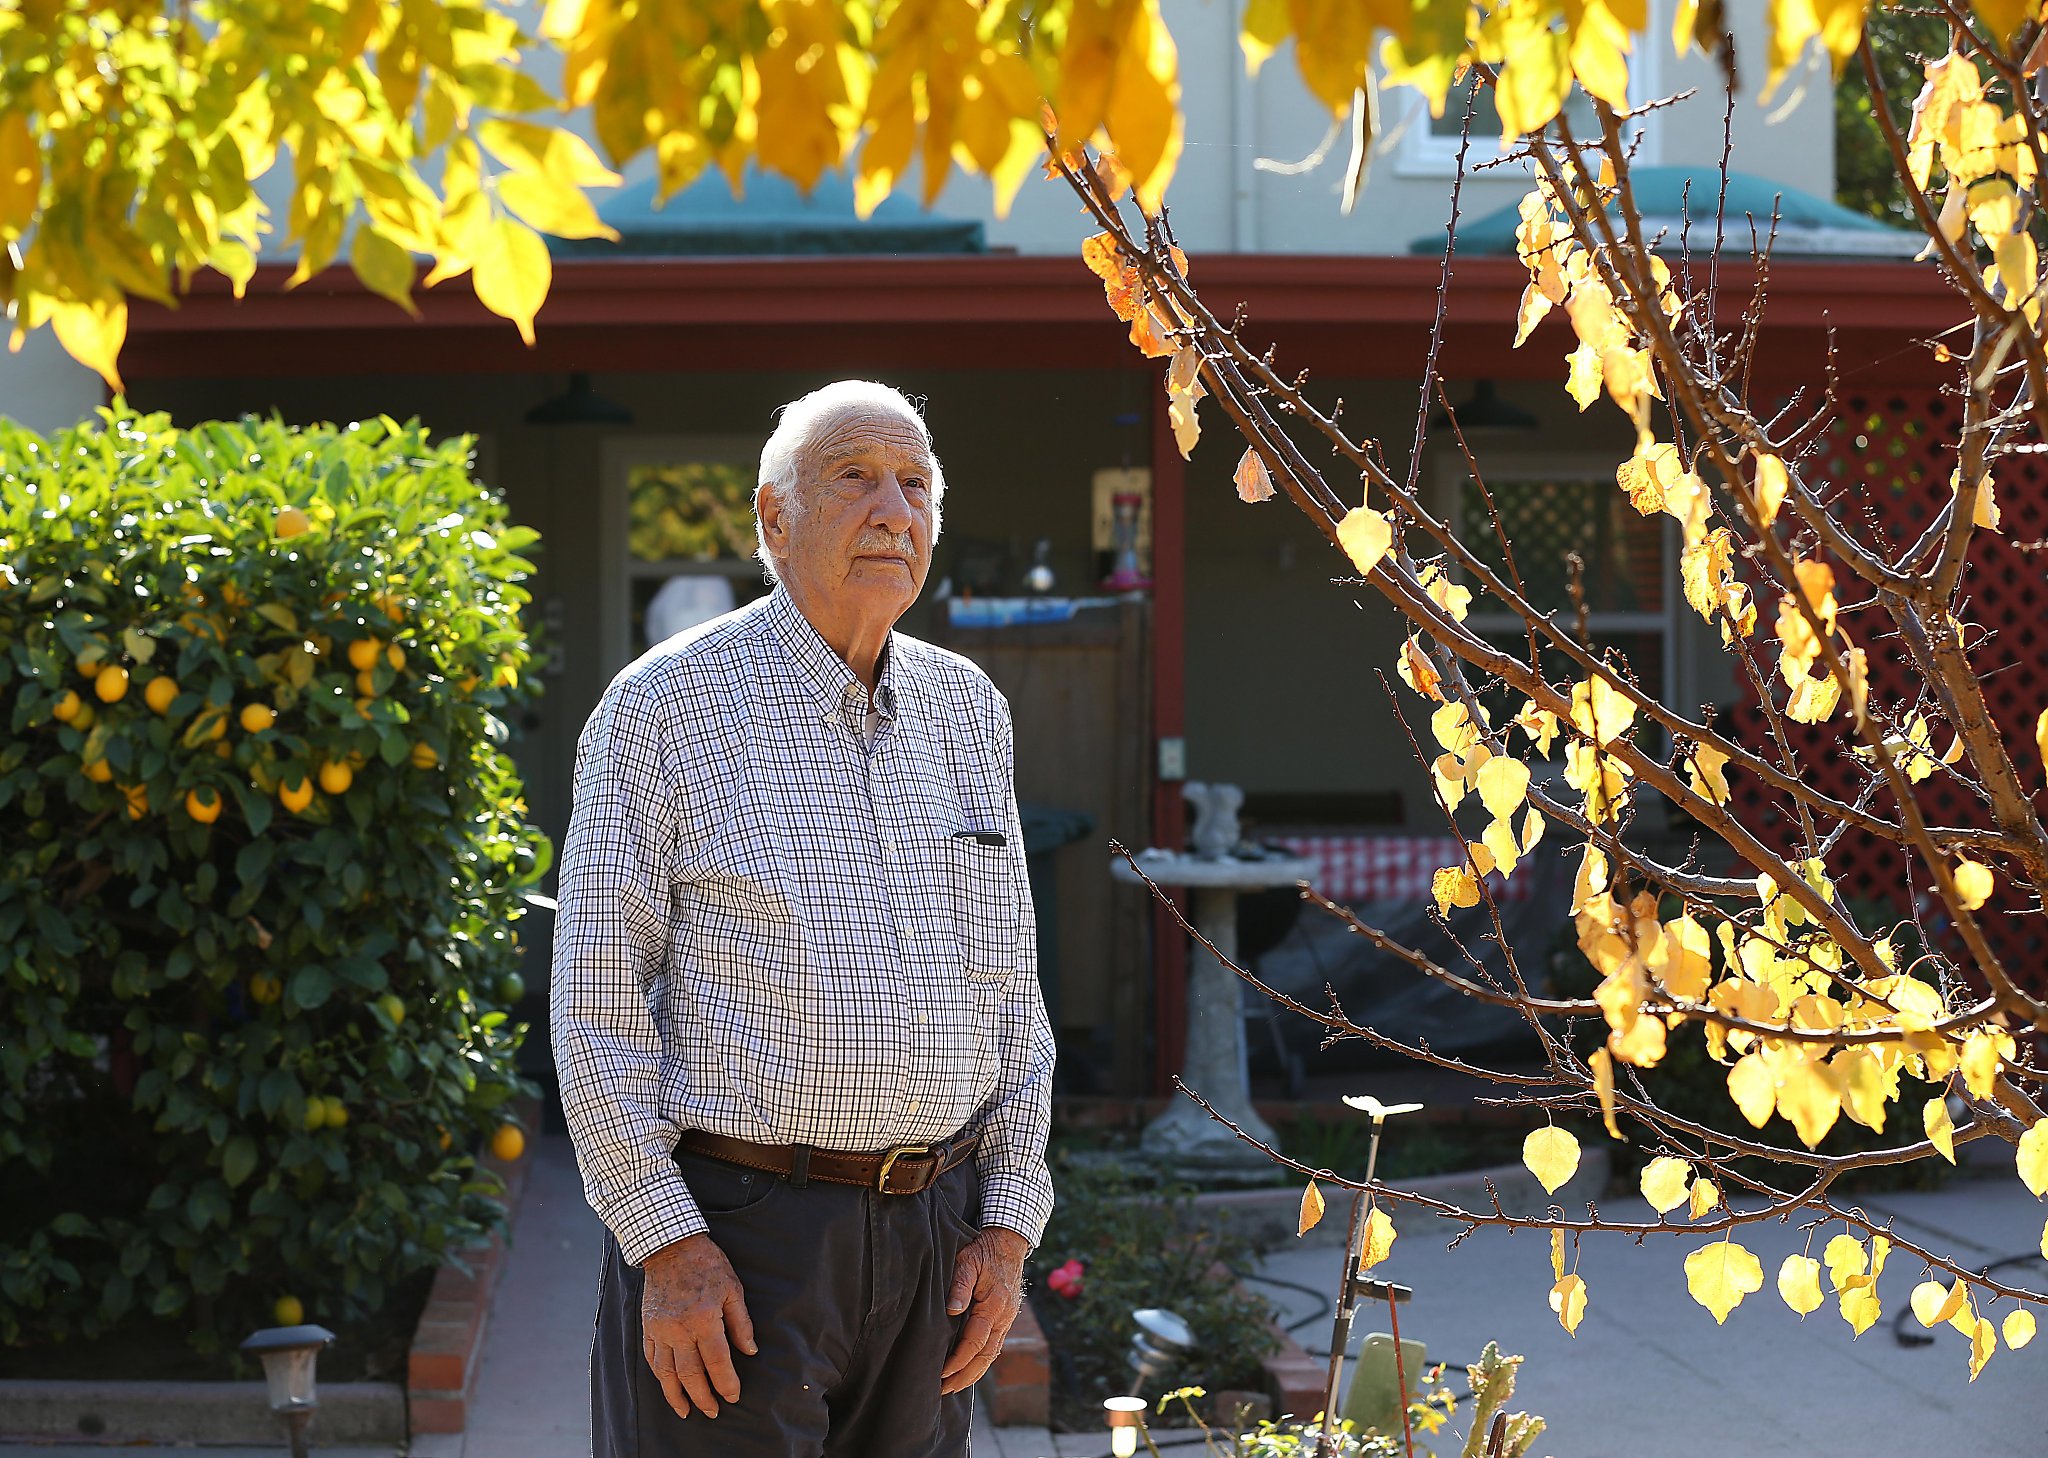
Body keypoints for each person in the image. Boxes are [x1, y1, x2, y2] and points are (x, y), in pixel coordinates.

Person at [552, 380, 1054, 1457]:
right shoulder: (662, 707)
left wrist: (1009, 1224)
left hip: (936, 1234)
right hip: (739, 1242)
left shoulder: (970, 710)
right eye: (854, 478)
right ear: (773, 520)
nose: (893, 510)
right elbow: (595, 1004)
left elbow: (1012, 987)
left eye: (915, 484)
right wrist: (665, 1247)